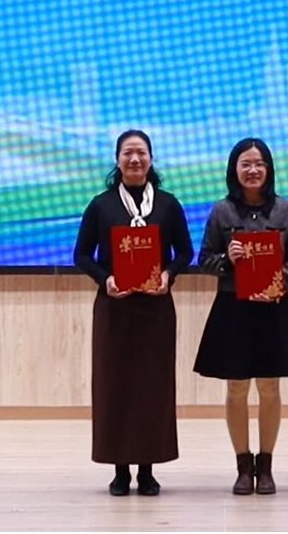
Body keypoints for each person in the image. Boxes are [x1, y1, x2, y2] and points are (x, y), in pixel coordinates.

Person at [73, 129, 195, 496]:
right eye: (128, 153)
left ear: (151, 159)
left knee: (152, 389)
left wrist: (169, 275)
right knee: (115, 387)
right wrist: (105, 279)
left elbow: (185, 252)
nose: (135, 159)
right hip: (115, 309)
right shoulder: (101, 205)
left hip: (155, 310)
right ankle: (119, 471)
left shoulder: (168, 205)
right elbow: (81, 255)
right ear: (117, 160)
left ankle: (148, 470)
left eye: (141, 152)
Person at [192, 137, 288, 495]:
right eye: (246, 164)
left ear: (269, 169)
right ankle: (243, 466)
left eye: (259, 164)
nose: (253, 170)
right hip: (234, 309)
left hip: (273, 308)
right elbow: (205, 259)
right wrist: (227, 258)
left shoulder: (286, 210)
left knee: (270, 387)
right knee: (237, 387)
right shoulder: (221, 211)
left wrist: (279, 282)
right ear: (235, 170)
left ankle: (266, 465)